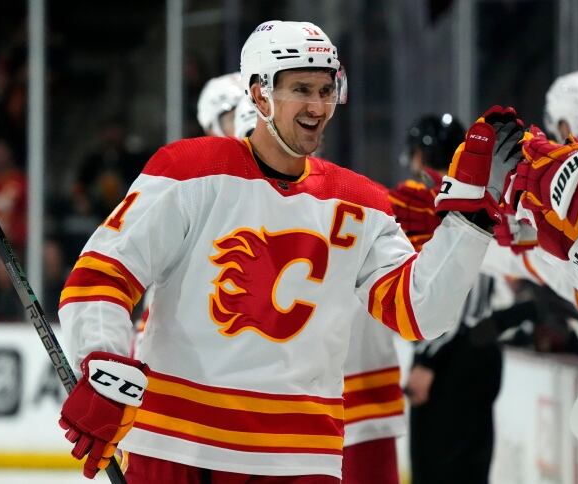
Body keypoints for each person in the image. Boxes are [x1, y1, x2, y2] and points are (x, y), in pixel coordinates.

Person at [57, 20, 522, 482]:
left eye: (326, 90)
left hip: (299, 459)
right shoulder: (189, 172)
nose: (317, 106)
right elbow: (104, 272)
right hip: (178, 446)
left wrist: (469, 221)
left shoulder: (360, 203)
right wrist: (101, 359)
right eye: (302, 88)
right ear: (259, 94)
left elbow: (420, 312)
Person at [391, 114, 502, 484]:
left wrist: (428, 359)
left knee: (437, 468)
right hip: (481, 351)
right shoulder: (481, 192)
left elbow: (456, 291)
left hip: (452, 354)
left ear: (421, 158)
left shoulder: (431, 199)